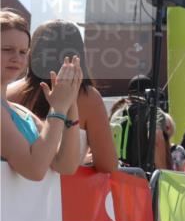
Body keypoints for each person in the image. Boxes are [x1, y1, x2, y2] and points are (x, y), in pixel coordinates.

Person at [7, 19, 117, 173]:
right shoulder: (88, 98)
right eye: (7, 49)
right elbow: (108, 165)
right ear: (78, 55)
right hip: (67, 194)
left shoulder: (8, 93)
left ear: (33, 53)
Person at [1, 9, 84, 179]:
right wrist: (58, 108)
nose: (16, 57)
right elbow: (34, 169)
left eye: (23, 52)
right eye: (7, 49)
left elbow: (65, 165)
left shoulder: (20, 112)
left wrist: (70, 101)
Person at [109, 74, 170, 170]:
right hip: (142, 179)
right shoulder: (153, 112)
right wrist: (163, 173)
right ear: (149, 93)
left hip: (116, 177)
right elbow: (156, 139)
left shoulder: (116, 112)